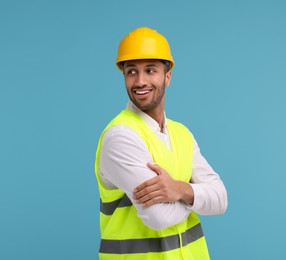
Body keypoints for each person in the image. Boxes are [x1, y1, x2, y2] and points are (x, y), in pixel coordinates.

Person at [94, 27, 228, 260]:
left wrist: (181, 190)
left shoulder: (181, 133)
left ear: (168, 76)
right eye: (131, 71)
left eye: (150, 70)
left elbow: (221, 199)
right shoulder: (120, 136)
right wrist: (195, 198)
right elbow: (158, 217)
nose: (140, 81)